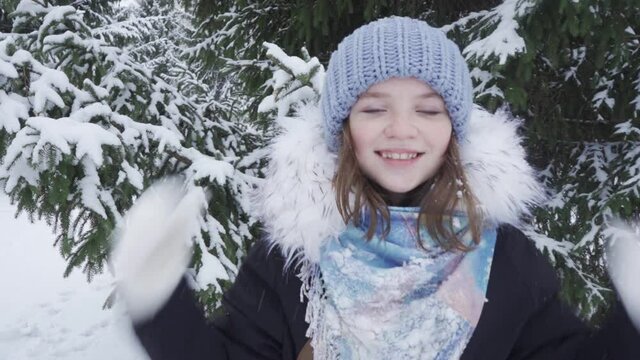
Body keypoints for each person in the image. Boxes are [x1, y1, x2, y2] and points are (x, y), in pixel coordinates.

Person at [111, 16, 640, 359]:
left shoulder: (505, 258)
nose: (402, 129)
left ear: (455, 129)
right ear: (343, 127)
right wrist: (161, 305)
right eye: (374, 108)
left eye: (429, 109)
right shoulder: (293, 261)